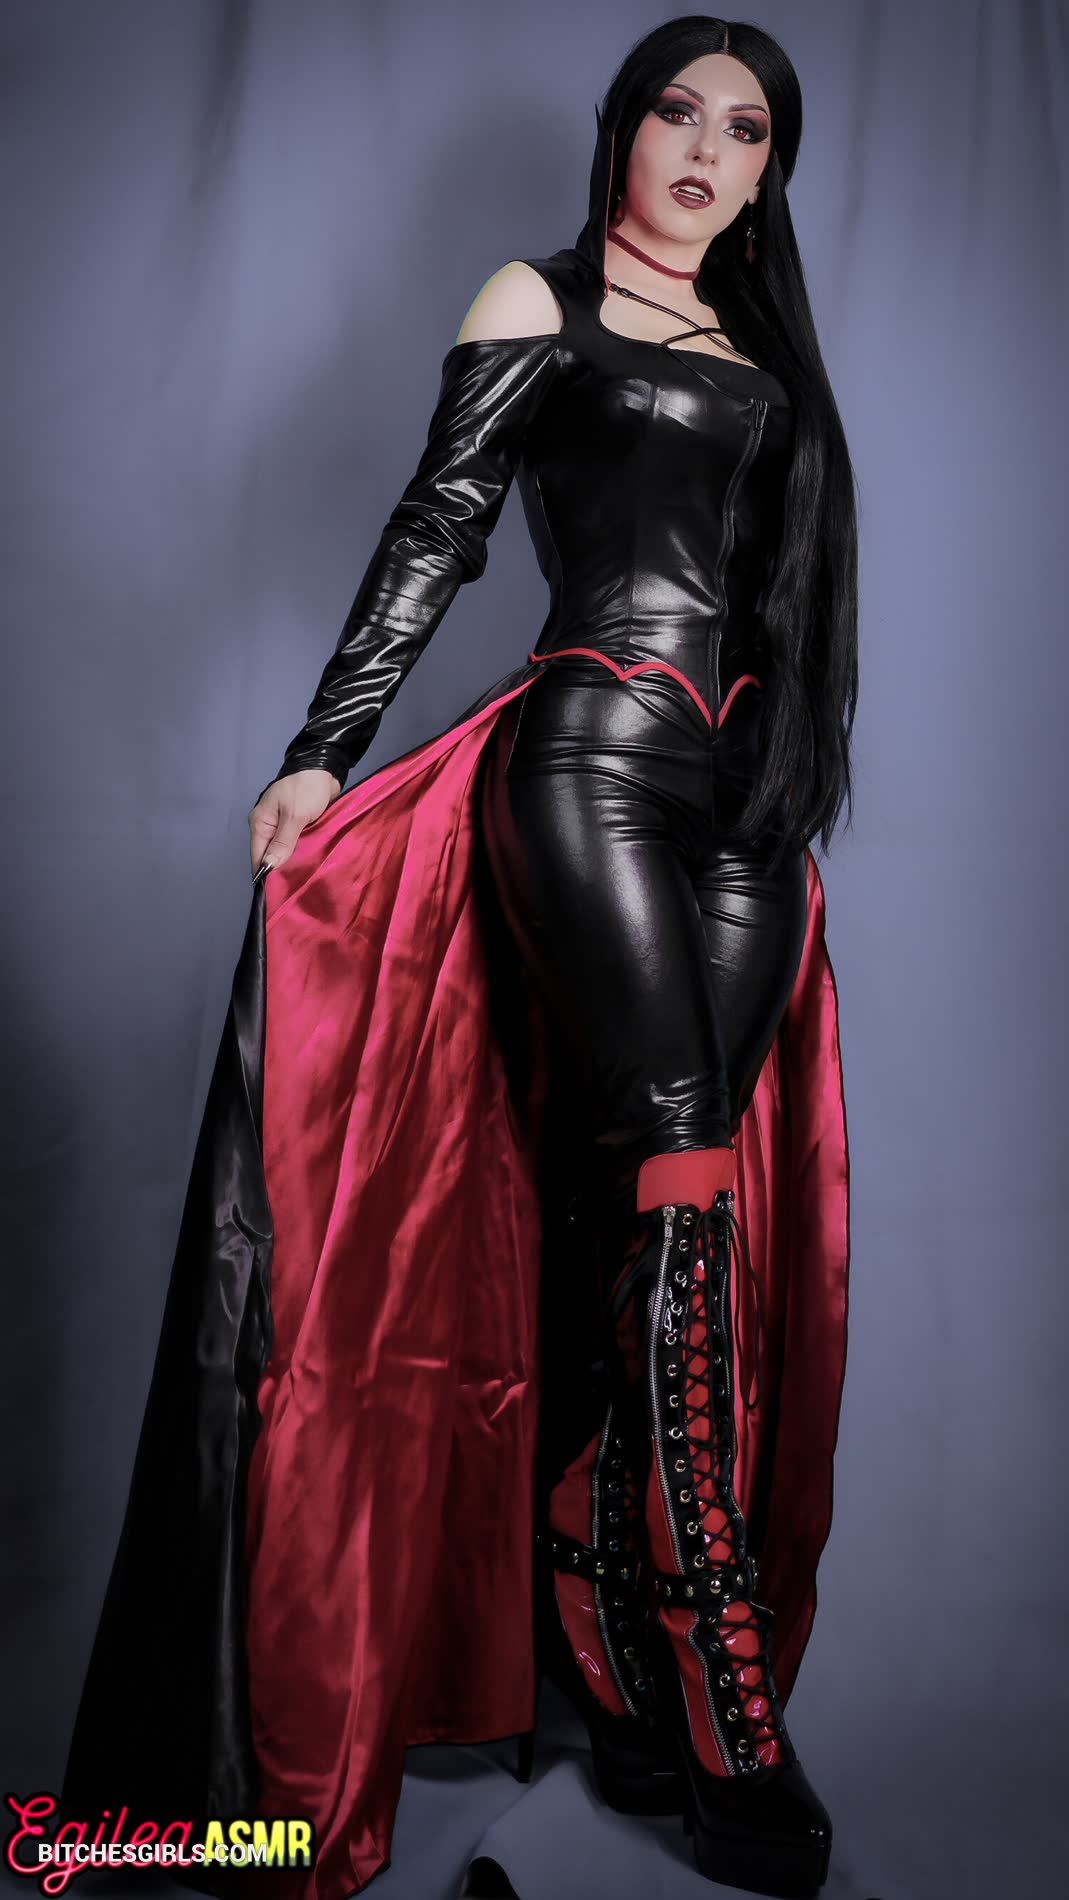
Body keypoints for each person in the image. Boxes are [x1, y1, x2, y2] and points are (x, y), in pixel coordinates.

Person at [61, 18, 855, 1900]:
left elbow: (784, 599)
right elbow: (442, 523)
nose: (706, 149)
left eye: (746, 129)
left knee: (642, 1205)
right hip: (589, 763)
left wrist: (783, 800)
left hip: (746, 816)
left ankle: (600, 1621)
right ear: (623, 129)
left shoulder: (769, 351)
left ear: (768, 170)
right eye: (676, 111)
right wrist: (321, 749)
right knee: (677, 1163)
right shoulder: (540, 300)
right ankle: (713, 1667)